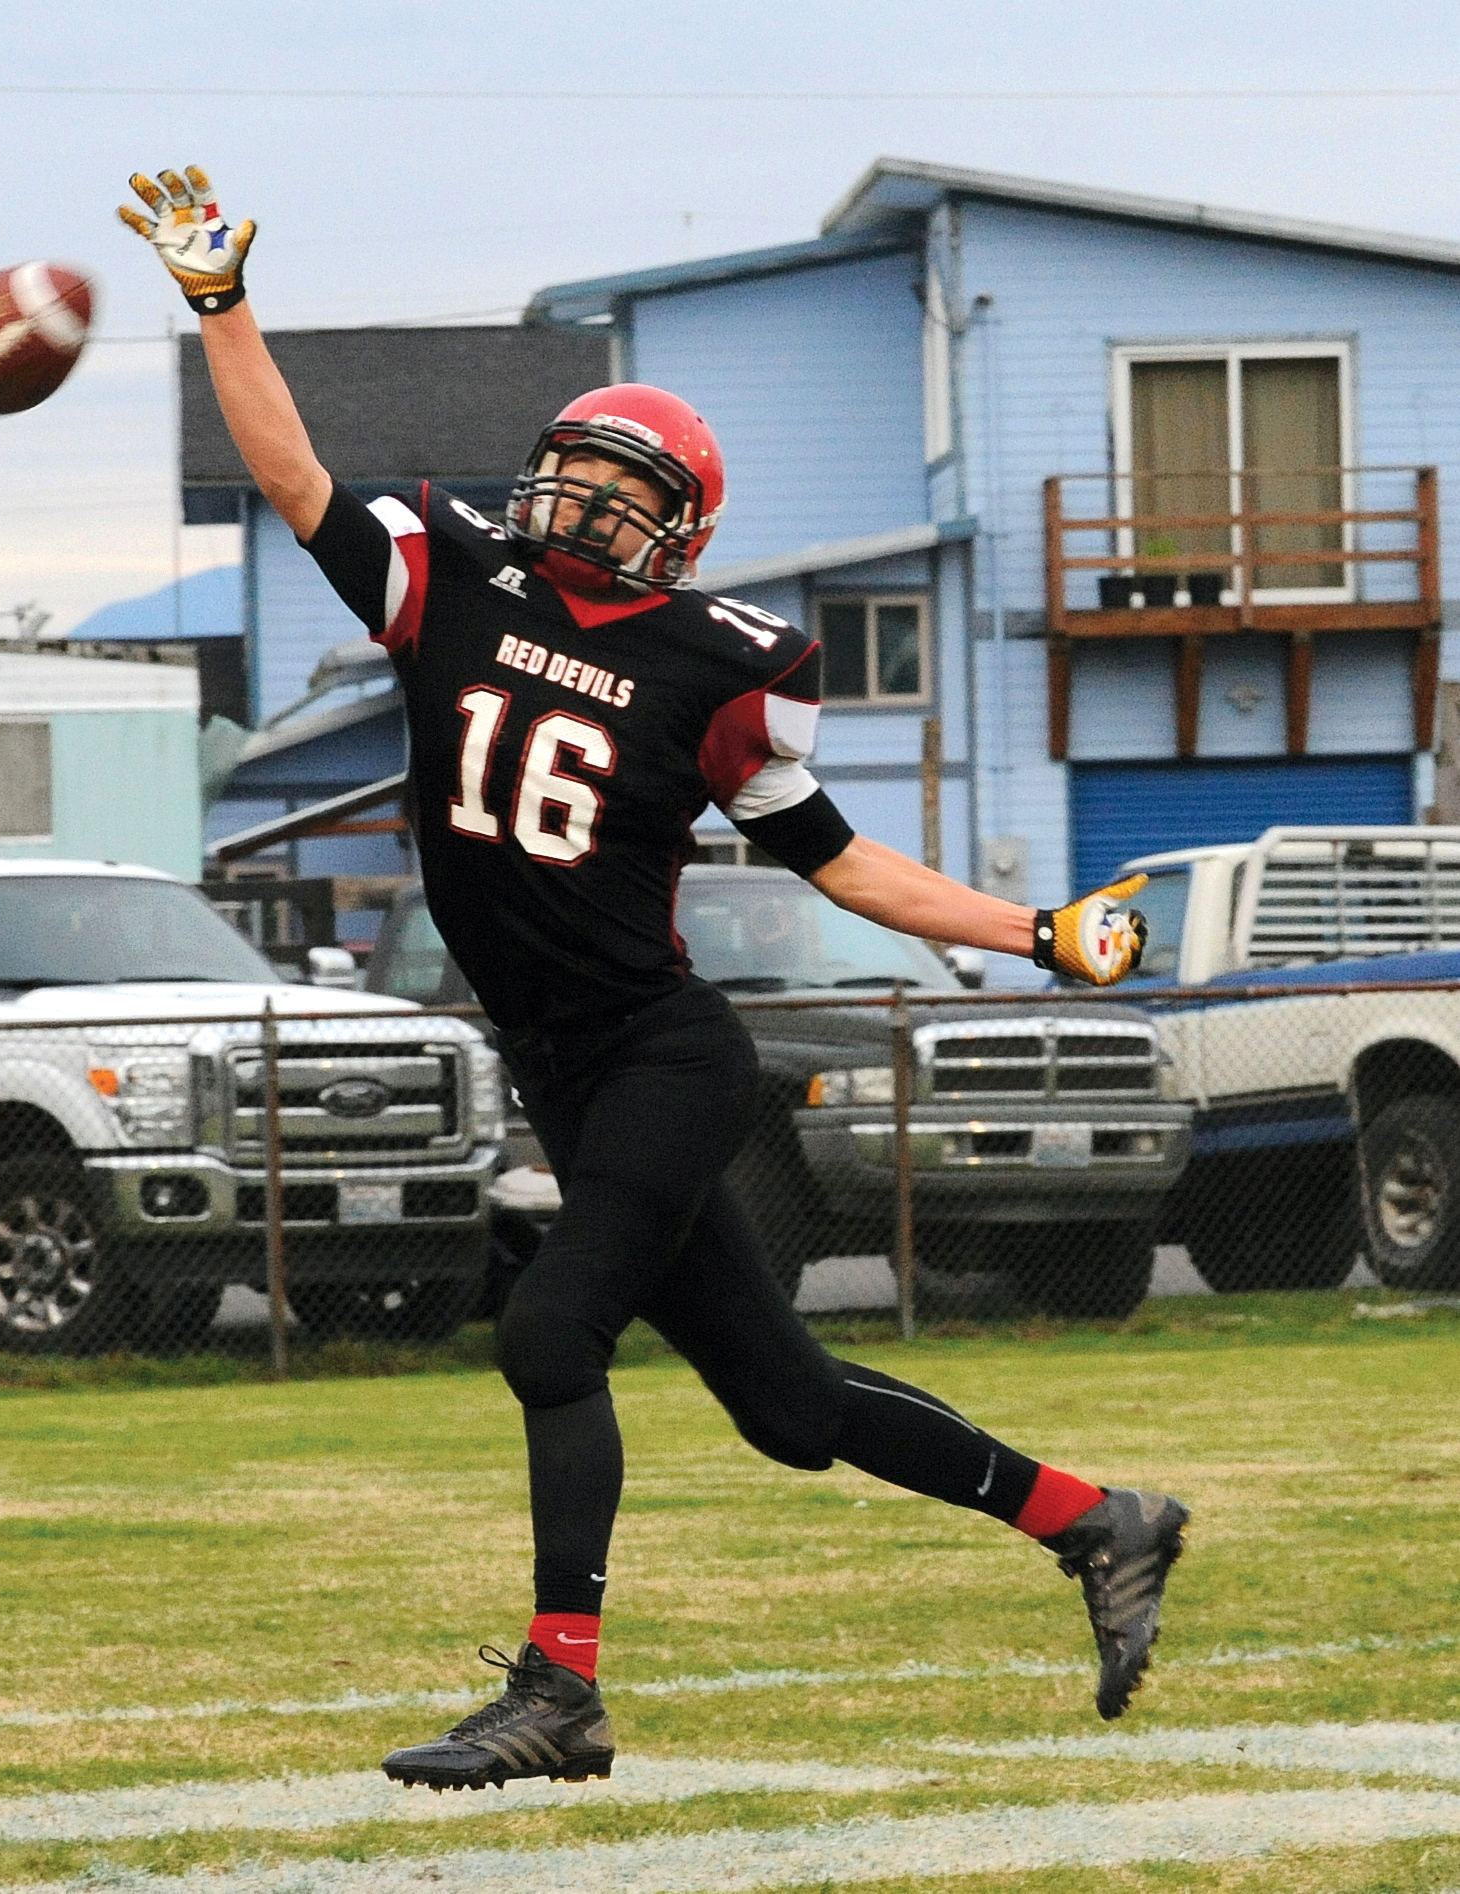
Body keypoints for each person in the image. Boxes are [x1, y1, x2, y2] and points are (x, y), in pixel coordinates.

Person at [124, 165, 1186, 1789]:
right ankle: (1096, 1519)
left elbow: (842, 861)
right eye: (571, 473)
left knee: (550, 1332)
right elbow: (290, 473)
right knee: (787, 1402)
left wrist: (1033, 933)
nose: (584, 502)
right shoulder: (455, 577)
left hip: (663, 1054)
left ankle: (561, 1687)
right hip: (559, 1052)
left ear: (681, 525)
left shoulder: (717, 664)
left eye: (622, 488)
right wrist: (221, 306)